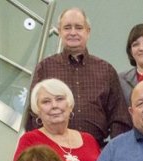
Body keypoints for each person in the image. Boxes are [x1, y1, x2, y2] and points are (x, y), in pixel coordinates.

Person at [24, 7, 130, 144]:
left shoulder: (106, 70)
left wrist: (114, 151)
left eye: (79, 27)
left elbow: (119, 118)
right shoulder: (45, 68)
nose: (73, 32)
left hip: (96, 152)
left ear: (88, 32)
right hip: (53, 151)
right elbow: (34, 113)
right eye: (67, 28)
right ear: (60, 31)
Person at [15, 78, 101, 161]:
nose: (54, 105)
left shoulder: (89, 140)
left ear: (70, 105)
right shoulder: (30, 140)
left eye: (60, 99)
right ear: (37, 110)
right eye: (46, 101)